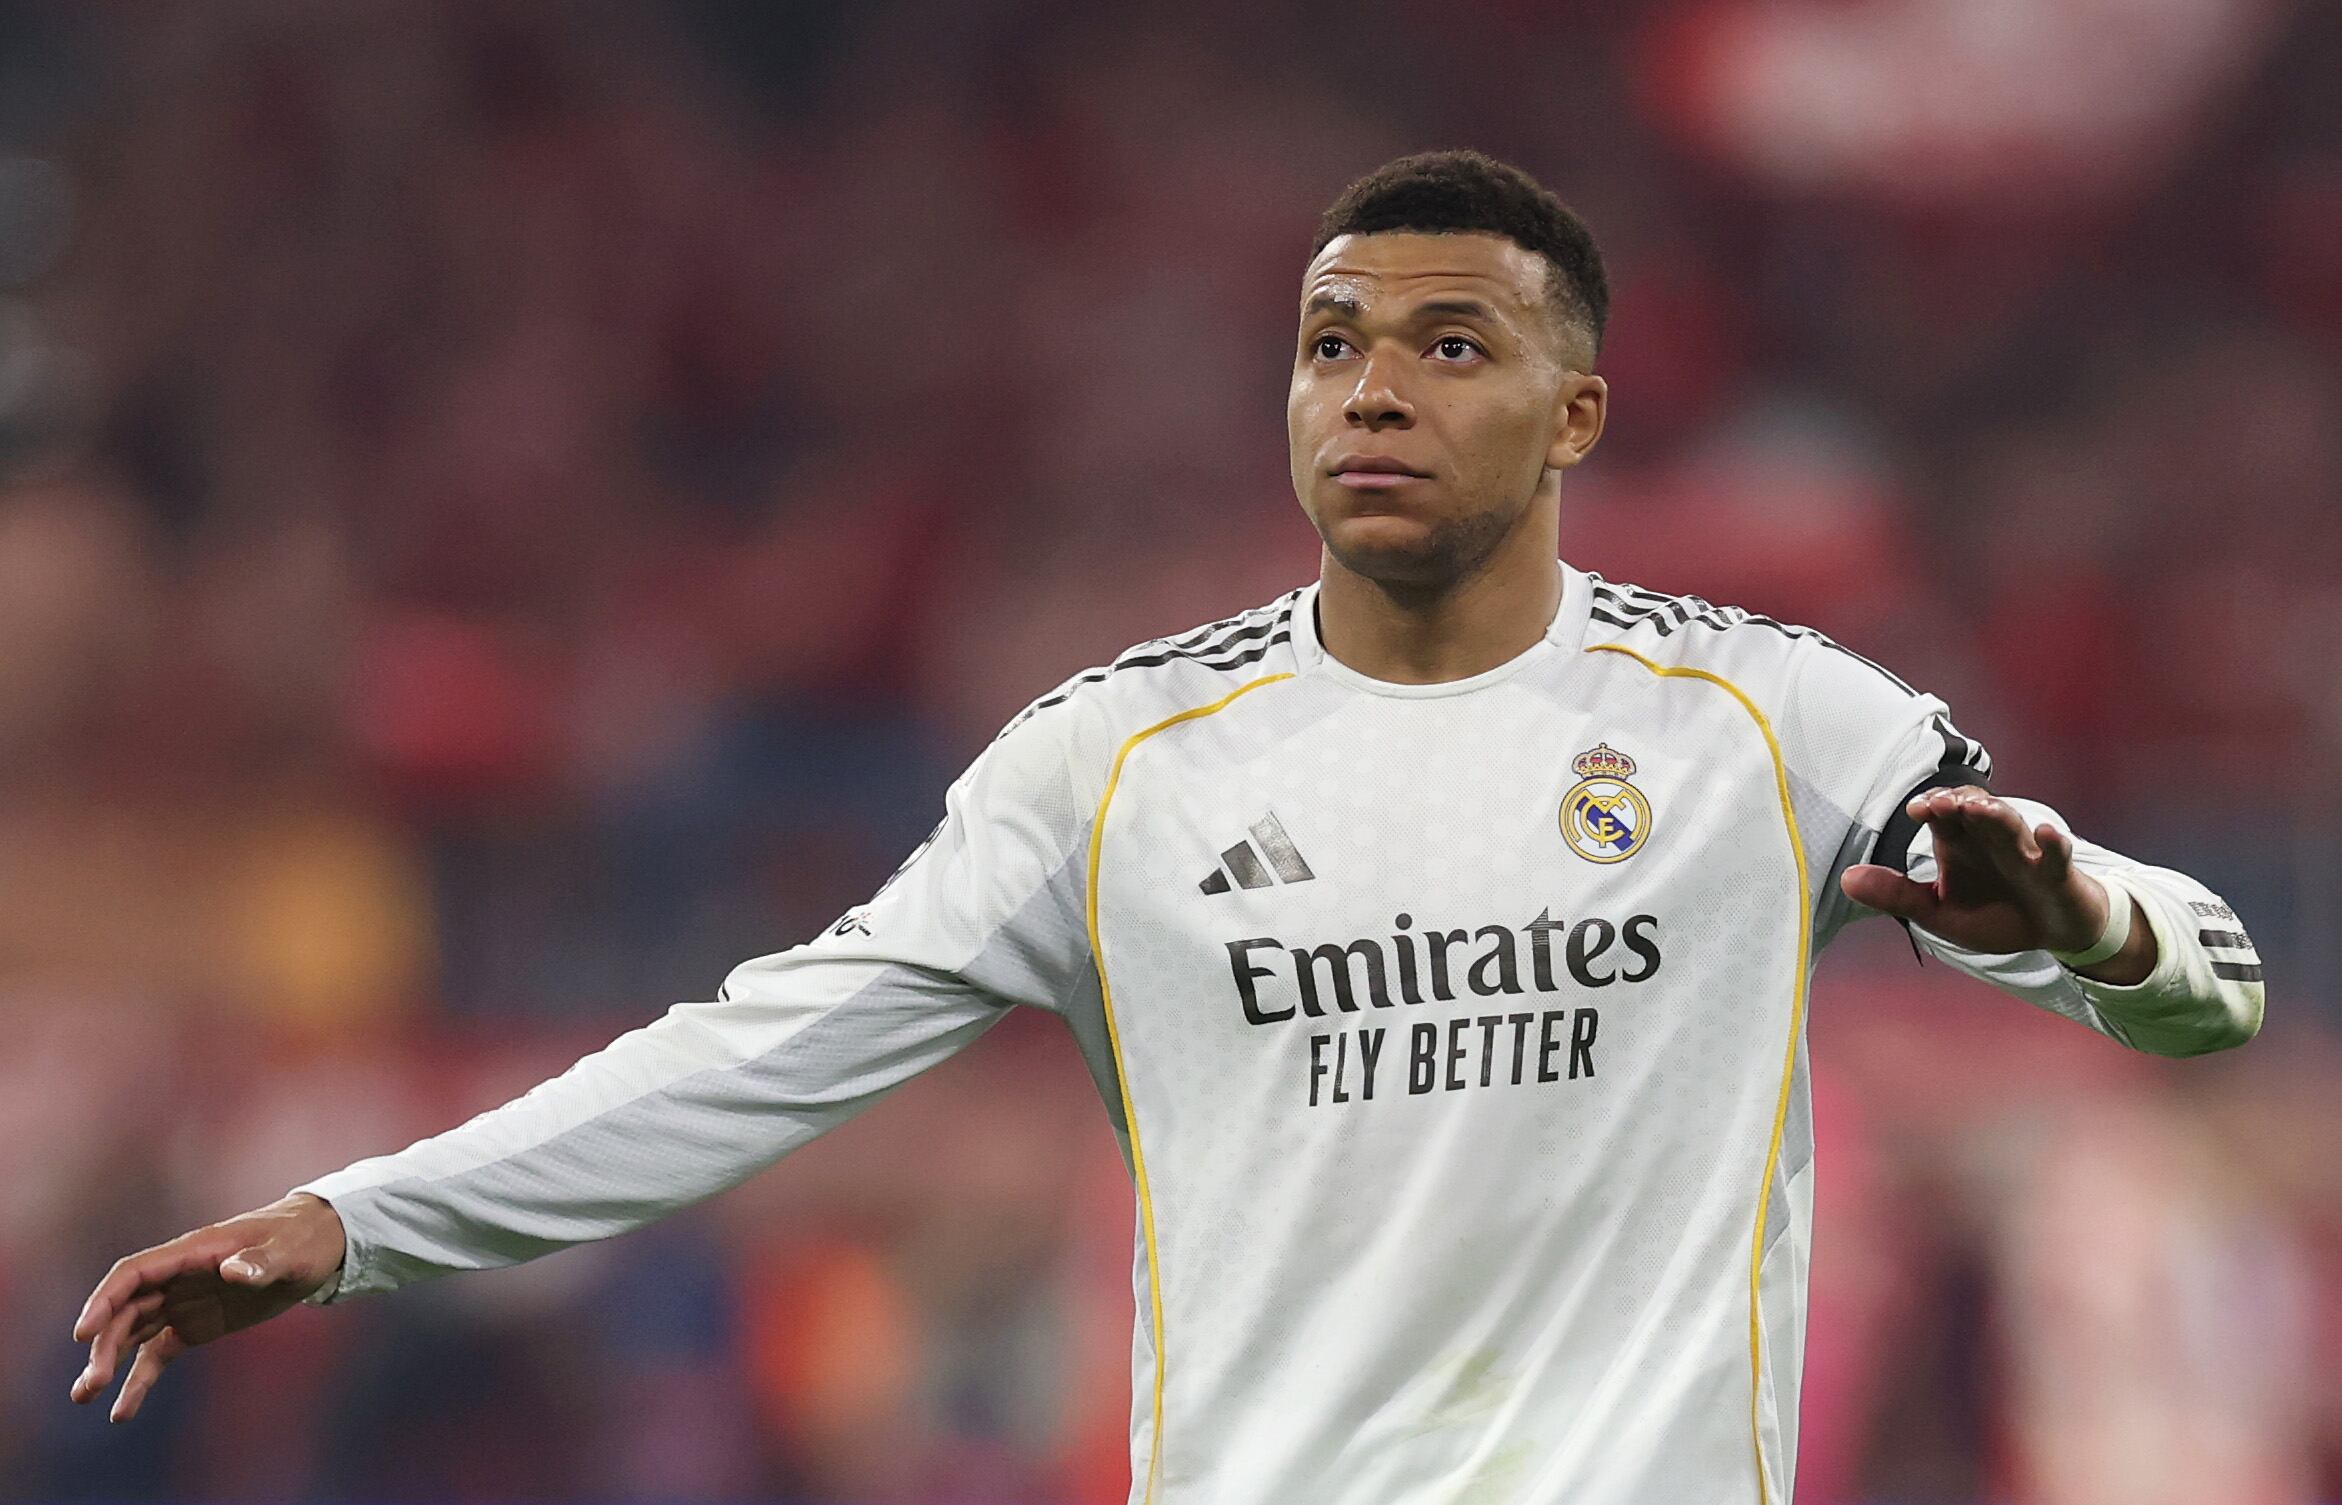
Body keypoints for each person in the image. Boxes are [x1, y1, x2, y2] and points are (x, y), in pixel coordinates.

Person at [69, 150, 2264, 1503]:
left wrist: (2083, 917)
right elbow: (749, 1057)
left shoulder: (1770, 717)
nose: (1372, 390)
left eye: (1445, 345)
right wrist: (359, 1221)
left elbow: (2219, 997)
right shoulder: (1110, 765)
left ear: (1577, 410)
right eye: (1329, 346)